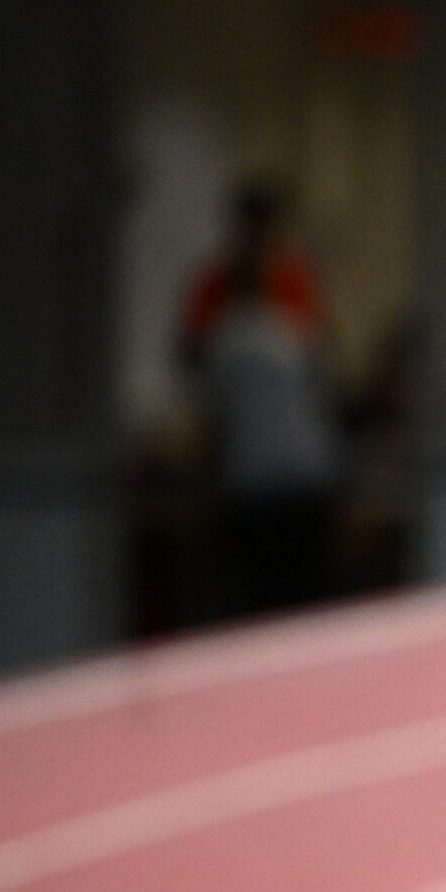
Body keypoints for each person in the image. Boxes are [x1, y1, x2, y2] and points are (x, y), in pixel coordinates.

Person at [179, 181, 342, 616]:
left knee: (276, 600)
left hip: (270, 478)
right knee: (277, 600)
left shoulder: (294, 284)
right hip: (281, 478)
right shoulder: (219, 290)